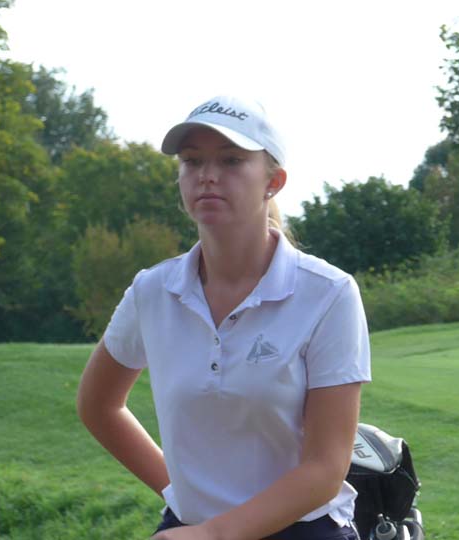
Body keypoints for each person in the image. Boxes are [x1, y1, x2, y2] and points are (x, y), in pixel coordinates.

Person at [77, 95, 370, 540]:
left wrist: (215, 533)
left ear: (274, 181)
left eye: (232, 161)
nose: (208, 176)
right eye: (192, 162)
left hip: (303, 531)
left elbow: (326, 468)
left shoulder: (328, 293)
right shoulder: (152, 291)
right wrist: (184, 496)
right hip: (192, 528)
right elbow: (98, 406)